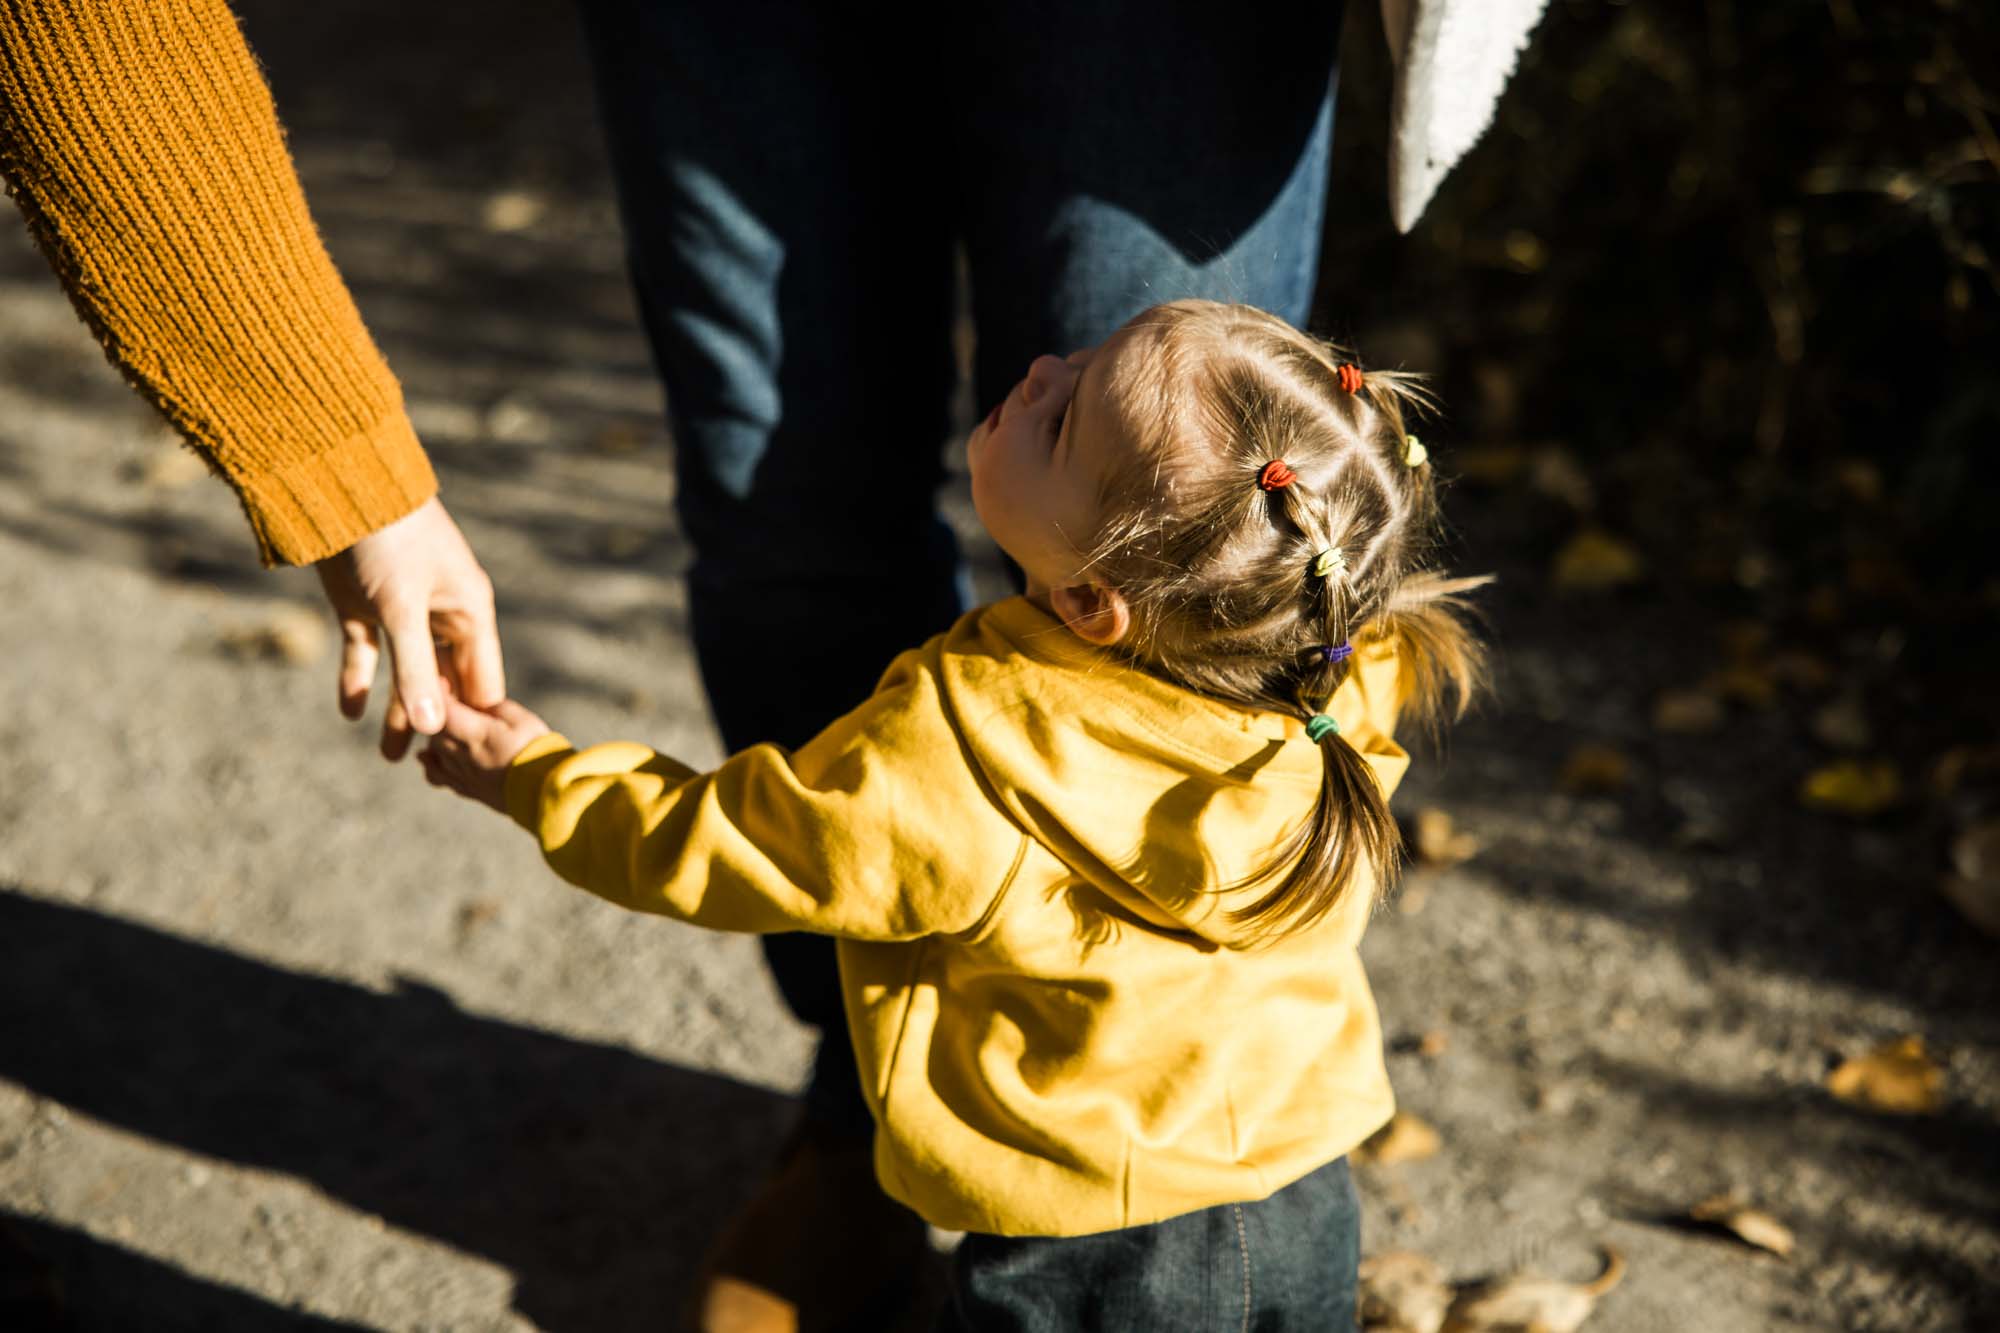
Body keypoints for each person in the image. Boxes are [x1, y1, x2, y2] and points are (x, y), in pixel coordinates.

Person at [415, 298, 1488, 1330]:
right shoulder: (1336, 667)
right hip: (1301, 1184)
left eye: (1062, 415)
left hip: (1085, 1239)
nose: (1038, 369)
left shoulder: (967, 747)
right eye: (1079, 355)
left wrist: (536, 776)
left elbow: (723, 846)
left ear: (1085, 604)